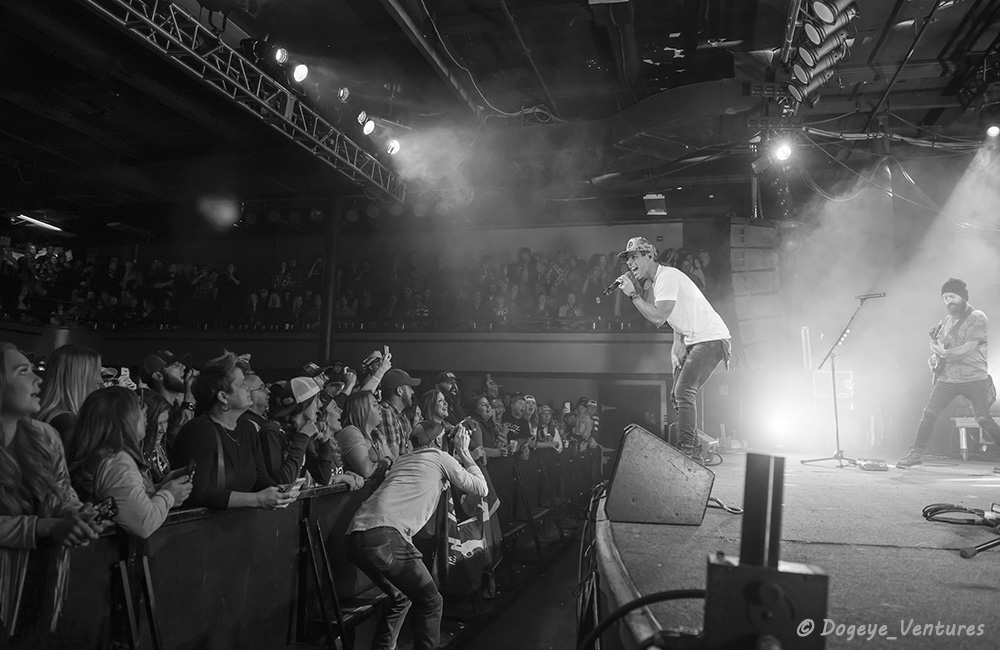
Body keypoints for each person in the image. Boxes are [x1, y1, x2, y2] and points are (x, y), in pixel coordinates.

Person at [345, 420, 487, 650]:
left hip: (355, 536)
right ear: (439, 441)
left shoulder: (403, 459)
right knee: (432, 601)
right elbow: (481, 488)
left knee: (401, 597)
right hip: (386, 537)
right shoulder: (440, 458)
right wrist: (463, 452)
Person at [0, 343, 104, 645]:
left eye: (34, 370)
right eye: (23, 372)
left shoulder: (46, 436)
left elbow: (63, 496)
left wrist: (79, 516)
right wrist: (45, 527)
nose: (38, 380)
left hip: (39, 589)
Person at [614, 236, 731, 461]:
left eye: (634, 257)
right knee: (677, 395)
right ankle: (695, 444)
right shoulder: (662, 282)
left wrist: (632, 294)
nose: (630, 263)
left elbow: (658, 317)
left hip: (710, 338)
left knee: (684, 391)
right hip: (695, 339)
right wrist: (675, 348)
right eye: (628, 260)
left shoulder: (666, 277)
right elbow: (677, 317)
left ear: (650, 256)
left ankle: (687, 450)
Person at [170, 352, 298, 510]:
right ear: (223, 397)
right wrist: (257, 499)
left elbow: (260, 479)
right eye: (242, 384)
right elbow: (197, 493)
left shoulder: (247, 429)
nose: (249, 388)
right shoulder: (199, 431)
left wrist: (280, 491)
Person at [897, 279, 1000, 471]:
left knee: (983, 419)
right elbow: (944, 346)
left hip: (974, 377)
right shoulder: (947, 321)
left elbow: (970, 347)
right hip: (949, 377)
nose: (948, 301)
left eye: (952, 296)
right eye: (945, 298)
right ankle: (916, 453)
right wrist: (935, 355)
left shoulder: (977, 317)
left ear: (963, 296)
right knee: (929, 415)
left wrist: (944, 353)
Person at [68, 387, 192, 538]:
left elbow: (125, 499)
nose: (146, 418)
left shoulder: (104, 454)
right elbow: (143, 523)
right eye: (140, 412)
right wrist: (169, 496)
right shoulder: (116, 462)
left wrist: (161, 487)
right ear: (125, 419)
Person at [36, 344, 103, 443]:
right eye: (97, 373)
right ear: (79, 378)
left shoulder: (56, 419)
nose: (100, 380)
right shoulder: (67, 425)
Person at [336, 390, 394, 479]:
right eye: (374, 405)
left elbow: (393, 460)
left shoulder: (375, 433)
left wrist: (387, 461)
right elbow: (367, 471)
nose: (380, 407)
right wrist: (387, 461)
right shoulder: (350, 432)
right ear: (361, 410)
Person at [379, 369, 422, 460]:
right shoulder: (385, 412)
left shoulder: (402, 415)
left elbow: (412, 449)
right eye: (410, 388)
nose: (413, 392)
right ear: (399, 391)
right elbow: (394, 457)